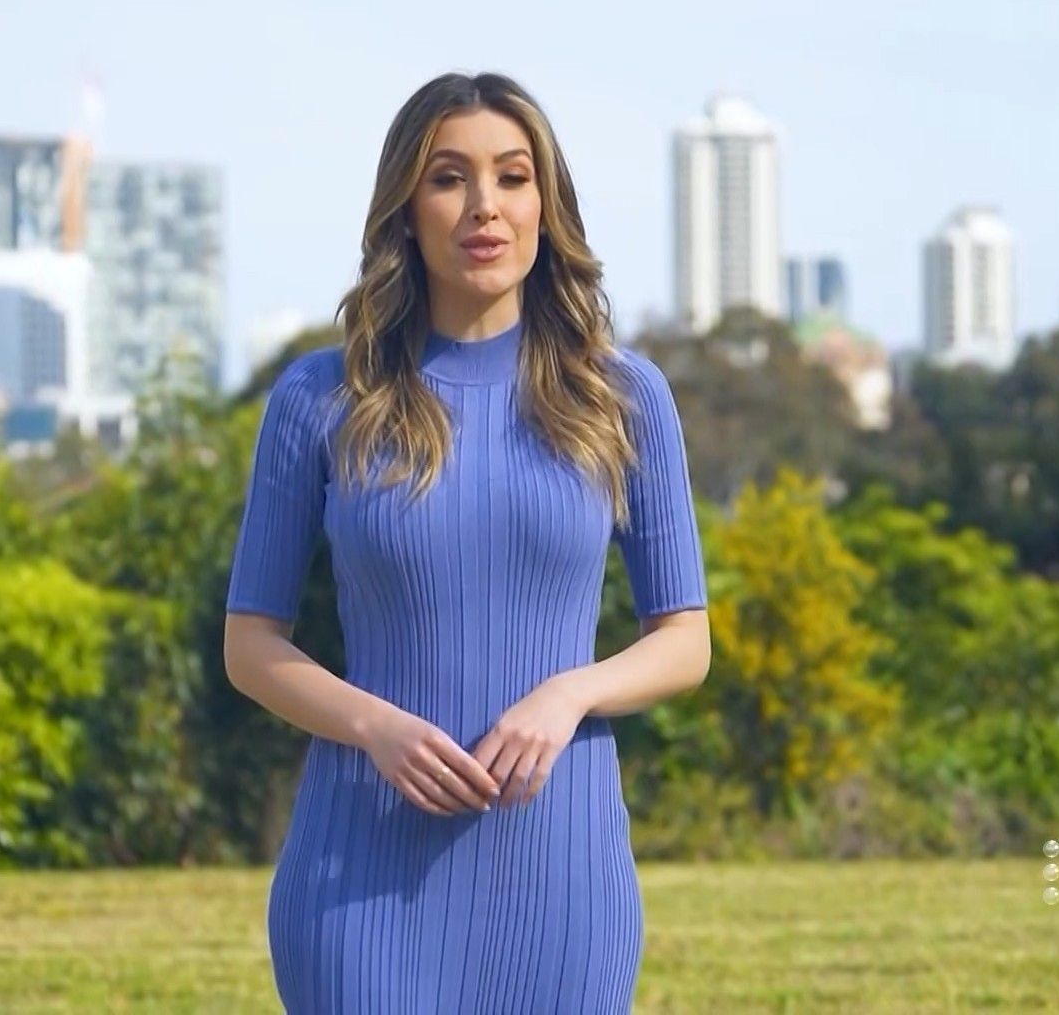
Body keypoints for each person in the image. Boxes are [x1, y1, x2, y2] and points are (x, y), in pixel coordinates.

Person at [223, 70, 711, 1013]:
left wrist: (570, 695)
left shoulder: (623, 397)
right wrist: (376, 726)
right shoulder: (321, 398)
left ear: (545, 205)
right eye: (449, 178)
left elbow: (685, 641)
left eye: (513, 177)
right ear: (406, 210)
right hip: (358, 880)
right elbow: (250, 646)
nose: (485, 205)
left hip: (562, 881)